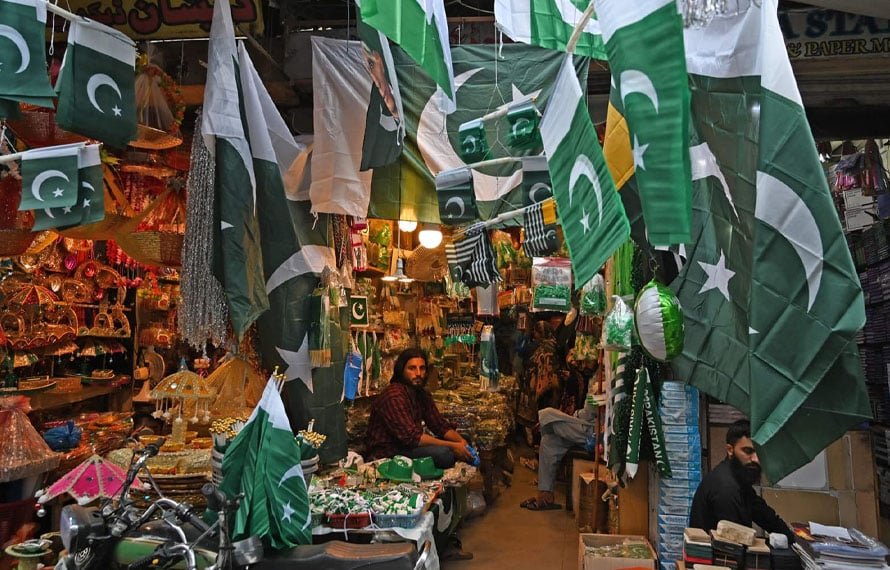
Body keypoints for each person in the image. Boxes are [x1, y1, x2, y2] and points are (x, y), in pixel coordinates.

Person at [365, 348, 472, 468]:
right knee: (444, 454)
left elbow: (439, 425)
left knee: (465, 439)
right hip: (389, 453)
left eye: (422, 368)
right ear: (401, 370)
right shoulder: (394, 396)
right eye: (412, 368)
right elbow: (412, 438)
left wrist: (461, 442)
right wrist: (453, 446)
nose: (418, 373)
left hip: (409, 446)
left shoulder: (420, 393)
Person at [690, 420, 794, 541]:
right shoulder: (726, 488)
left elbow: (764, 515)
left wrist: (792, 539)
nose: (756, 459)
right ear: (730, 450)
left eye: (760, 452)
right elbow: (736, 544)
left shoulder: (738, 478)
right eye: (748, 451)